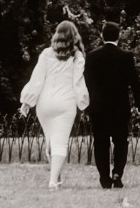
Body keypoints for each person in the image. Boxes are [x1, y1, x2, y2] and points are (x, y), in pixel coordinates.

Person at [18, 20, 89, 188]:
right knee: (60, 142)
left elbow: (37, 80)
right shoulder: (77, 56)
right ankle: (52, 181)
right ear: (74, 36)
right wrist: (84, 104)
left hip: (45, 104)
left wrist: (27, 101)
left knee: (51, 141)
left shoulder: (46, 54)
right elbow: (78, 83)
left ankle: (56, 178)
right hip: (66, 103)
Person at [82, 22, 140, 189]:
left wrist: (85, 106)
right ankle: (117, 173)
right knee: (121, 142)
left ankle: (104, 177)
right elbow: (135, 84)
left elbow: (86, 83)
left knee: (101, 142)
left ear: (102, 35)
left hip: (98, 108)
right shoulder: (126, 56)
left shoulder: (92, 56)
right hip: (120, 107)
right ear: (119, 36)